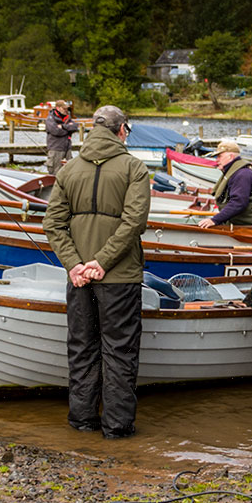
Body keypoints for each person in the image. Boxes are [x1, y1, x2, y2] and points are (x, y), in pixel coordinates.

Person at [42, 105, 153, 438]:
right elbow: (135, 222)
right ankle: (117, 430)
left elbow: (52, 223)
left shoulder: (69, 169)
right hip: (118, 278)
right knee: (119, 351)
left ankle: (82, 421)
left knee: (81, 347)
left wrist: (75, 264)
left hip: (78, 279)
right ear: (122, 131)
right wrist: (100, 263)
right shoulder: (135, 168)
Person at [197, 140, 252, 228]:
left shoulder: (243, 174)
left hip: (248, 227)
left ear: (230, 156)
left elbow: (238, 203)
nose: (217, 160)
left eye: (219, 156)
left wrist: (214, 220)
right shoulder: (235, 171)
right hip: (236, 224)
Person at [44, 101, 77, 174]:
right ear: (58, 108)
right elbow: (56, 131)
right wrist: (68, 130)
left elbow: (75, 127)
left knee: (69, 172)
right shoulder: (50, 118)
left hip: (67, 149)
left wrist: (63, 126)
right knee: (55, 173)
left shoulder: (67, 118)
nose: (66, 110)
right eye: (64, 108)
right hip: (56, 149)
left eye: (67, 109)